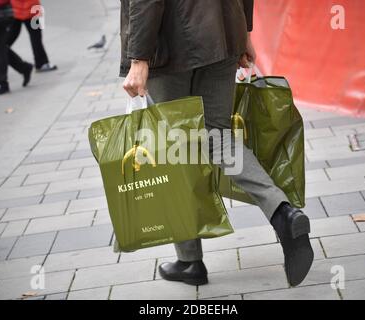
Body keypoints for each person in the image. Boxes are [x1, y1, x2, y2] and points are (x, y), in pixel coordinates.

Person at [120, 0, 314, 287]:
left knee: (176, 151)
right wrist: (243, 31)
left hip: (170, 45)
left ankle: (189, 261)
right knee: (219, 138)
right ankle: (284, 213)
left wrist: (138, 58)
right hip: (223, 32)